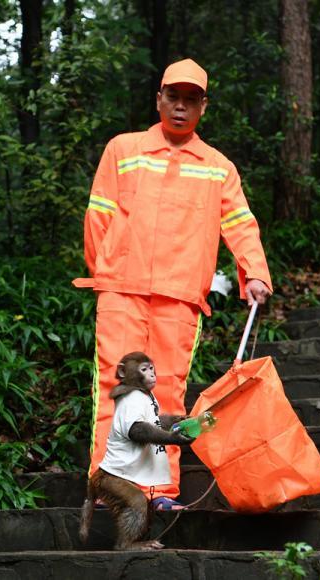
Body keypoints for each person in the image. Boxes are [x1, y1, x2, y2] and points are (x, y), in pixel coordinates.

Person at [73, 58, 273, 510]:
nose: (180, 107)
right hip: (121, 290)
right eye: (173, 97)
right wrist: (107, 269)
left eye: (191, 100)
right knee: (117, 388)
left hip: (180, 297)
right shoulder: (123, 149)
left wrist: (255, 272)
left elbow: (241, 224)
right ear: (158, 99)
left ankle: (159, 491)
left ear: (203, 106)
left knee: (165, 393)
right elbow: (98, 217)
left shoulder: (218, 167)